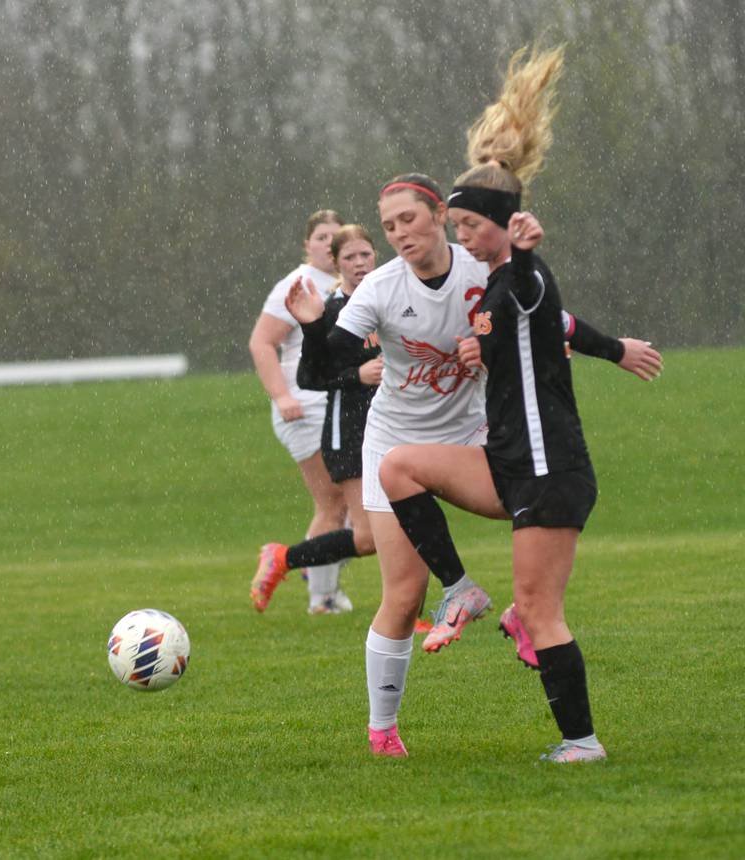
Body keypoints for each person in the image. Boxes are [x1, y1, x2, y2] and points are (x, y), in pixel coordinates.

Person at [378, 45, 663, 763]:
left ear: (507, 224)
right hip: (508, 462)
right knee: (399, 469)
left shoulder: (523, 278)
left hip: (547, 469)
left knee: (541, 610)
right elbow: (559, 328)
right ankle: (463, 591)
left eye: (474, 228)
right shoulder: (498, 285)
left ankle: (582, 742)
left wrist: (530, 253)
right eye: (462, 227)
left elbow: (543, 302)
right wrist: (616, 350)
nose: (464, 238)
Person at [250, 224, 383, 614]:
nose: (359, 263)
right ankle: (302, 576)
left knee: (400, 520)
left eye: (365, 254)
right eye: (348, 256)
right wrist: (283, 395)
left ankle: (416, 610)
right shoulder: (316, 298)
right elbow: (285, 358)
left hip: (389, 423)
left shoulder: (385, 297)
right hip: (336, 422)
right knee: (349, 521)